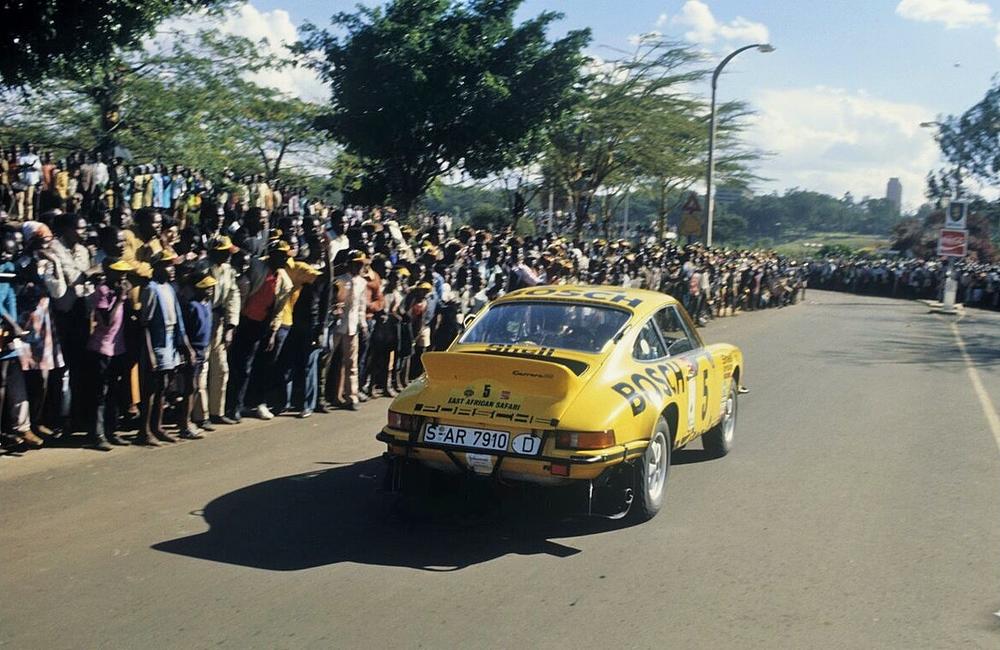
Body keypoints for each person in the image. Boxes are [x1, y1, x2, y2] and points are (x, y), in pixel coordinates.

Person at [225, 240, 292, 422]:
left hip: (263, 326)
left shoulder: (285, 281)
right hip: (244, 321)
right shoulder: (257, 266)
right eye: (281, 255)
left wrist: (272, 333)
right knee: (239, 366)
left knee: (258, 366)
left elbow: (278, 310)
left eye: (286, 256)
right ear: (272, 255)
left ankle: (252, 403)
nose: (285, 259)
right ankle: (233, 406)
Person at [137, 249, 194, 445]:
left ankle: (157, 427)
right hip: (157, 342)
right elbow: (144, 324)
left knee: (163, 387)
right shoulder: (151, 290)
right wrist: (151, 353)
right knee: (151, 388)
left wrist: (184, 345)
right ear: (157, 267)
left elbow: (178, 320)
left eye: (173, 265)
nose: (171, 269)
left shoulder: (170, 288)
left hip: (170, 341)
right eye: (167, 265)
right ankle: (144, 431)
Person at [85, 259, 134, 450]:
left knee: (114, 391)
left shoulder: (119, 291)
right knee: (100, 394)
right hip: (101, 349)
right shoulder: (103, 292)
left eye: (124, 274)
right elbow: (106, 321)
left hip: (118, 348)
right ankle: (97, 434)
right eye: (119, 273)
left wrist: (125, 296)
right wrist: (120, 298)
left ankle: (112, 431)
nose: (123, 277)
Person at [205, 236, 241, 426]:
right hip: (203, 322)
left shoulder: (229, 271)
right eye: (225, 251)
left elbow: (234, 296)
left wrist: (230, 325)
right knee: (201, 370)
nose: (228, 255)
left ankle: (216, 411)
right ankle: (199, 415)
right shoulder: (202, 268)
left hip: (219, 323)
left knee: (221, 368)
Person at [177, 271, 215, 439]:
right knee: (189, 388)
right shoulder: (192, 306)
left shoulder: (208, 304)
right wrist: (189, 351)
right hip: (193, 351)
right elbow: (185, 332)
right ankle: (184, 425)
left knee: (194, 388)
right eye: (206, 288)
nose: (210, 290)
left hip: (203, 351)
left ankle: (188, 421)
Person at [329, 249, 368, 410]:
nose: (359, 267)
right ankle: (327, 395)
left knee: (351, 363)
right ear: (349, 265)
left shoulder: (362, 283)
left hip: (352, 327)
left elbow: (361, 307)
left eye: (361, 264)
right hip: (337, 325)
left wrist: (363, 325)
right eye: (356, 264)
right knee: (328, 360)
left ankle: (351, 396)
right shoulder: (339, 281)